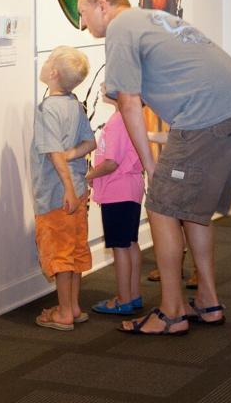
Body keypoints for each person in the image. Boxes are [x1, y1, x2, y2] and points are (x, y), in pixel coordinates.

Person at [77, 0, 231, 336]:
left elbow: (128, 103)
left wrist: (150, 167)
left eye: (83, 13)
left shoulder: (119, 28)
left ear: (102, 5)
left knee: (160, 205)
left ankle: (172, 311)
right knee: (191, 210)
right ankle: (207, 302)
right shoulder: (151, 19)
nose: (84, 24)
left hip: (206, 115)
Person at [31, 46, 97, 331]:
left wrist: (67, 188)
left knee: (58, 253)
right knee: (74, 250)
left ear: (53, 73)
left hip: (58, 195)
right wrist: (73, 157)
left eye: (47, 61)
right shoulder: (74, 104)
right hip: (78, 191)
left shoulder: (47, 109)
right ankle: (74, 306)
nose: (43, 64)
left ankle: (64, 313)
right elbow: (90, 143)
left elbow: (54, 153)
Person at [86, 82, 145, 316]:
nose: (102, 87)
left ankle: (123, 299)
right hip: (130, 188)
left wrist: (88, 175)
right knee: (129, 242)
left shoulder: (117, 122)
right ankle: (133, 294)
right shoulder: (131, 117)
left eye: (108, 84)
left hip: (117, 190)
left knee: (120, 246)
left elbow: (111, 163)